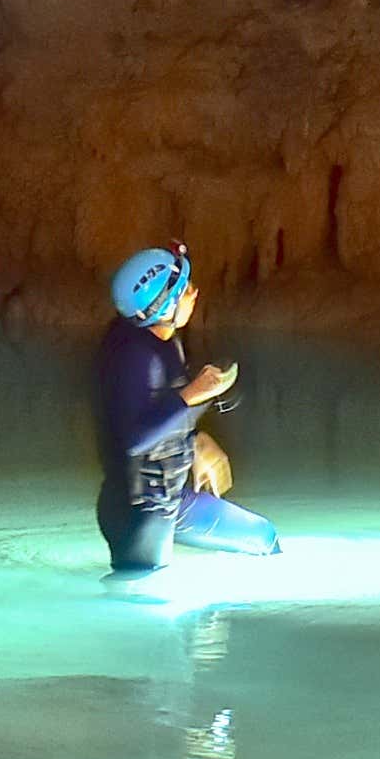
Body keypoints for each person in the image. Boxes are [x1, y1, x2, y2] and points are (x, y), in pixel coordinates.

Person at [96, 245, 280, 576]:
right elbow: (132, 439)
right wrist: (190, 395)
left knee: (263, 538)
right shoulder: (138, 357)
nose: (194, 292)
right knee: (140, 601)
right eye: (184, 290)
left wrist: (195, 441)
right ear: (161, 306)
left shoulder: (162, 340)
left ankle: (210, 626)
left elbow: (152, 410)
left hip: (170, 499)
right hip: (142, 514)